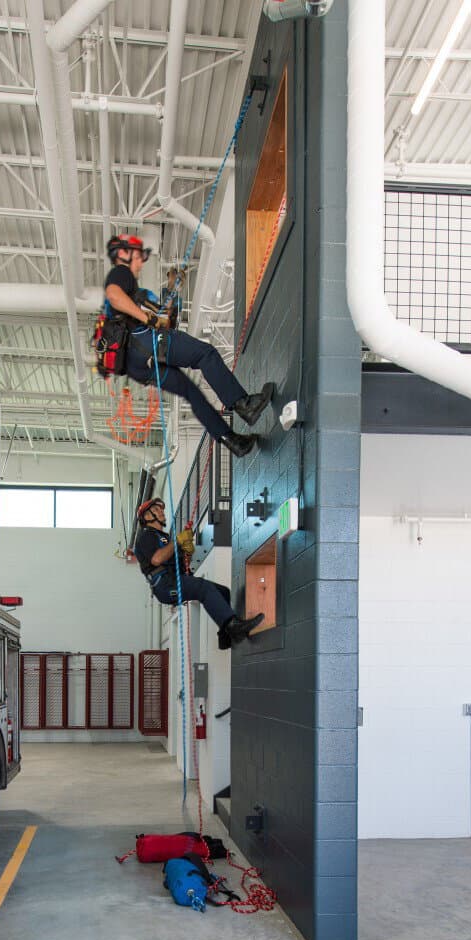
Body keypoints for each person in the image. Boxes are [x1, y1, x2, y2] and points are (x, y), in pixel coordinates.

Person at [104, 234, 274, 458]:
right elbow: (114, 296)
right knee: (205, 355)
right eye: (138, 256)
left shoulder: (139, 295)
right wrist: (149, 319)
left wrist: (173, 291)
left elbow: (165, 317)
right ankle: (244, 404)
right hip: (144, 342)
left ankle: (232, 441)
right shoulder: (121, 273)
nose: (140, 262)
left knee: (191, 391)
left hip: (137, 365)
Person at [134, 497, 264, 649]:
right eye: (155, 510)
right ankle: (233, 625)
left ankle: (225, 637)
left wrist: (186, 550)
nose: (161, 511)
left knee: (223, 591)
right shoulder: (146, 536)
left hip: (174, 579)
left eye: (161, 508)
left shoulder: (166, 538)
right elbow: (156, 559)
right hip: (164, 584)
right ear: (147, 517)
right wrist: (177, 542)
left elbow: (182, 564)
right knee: (203, 588)